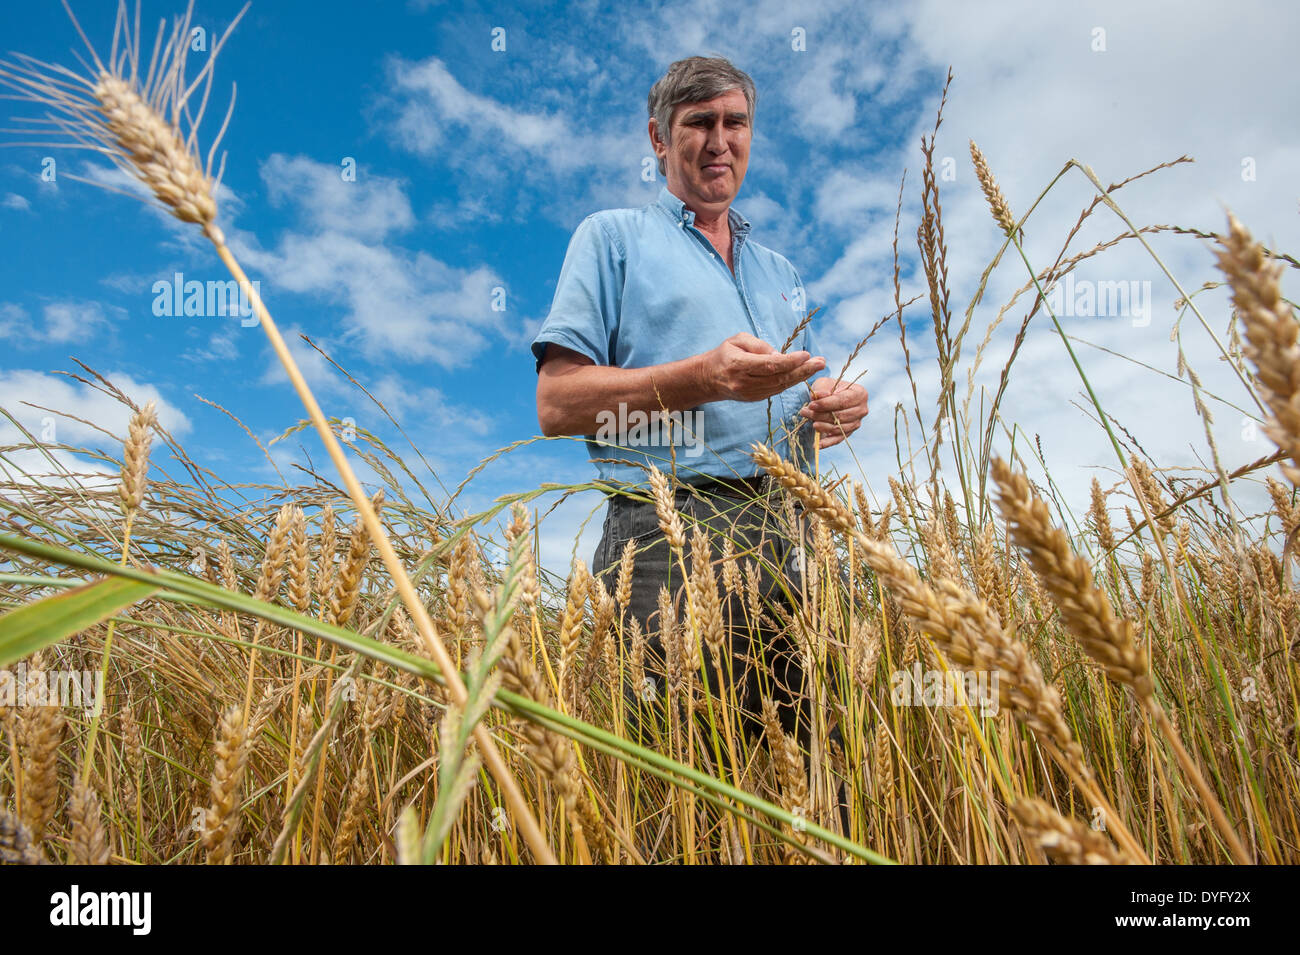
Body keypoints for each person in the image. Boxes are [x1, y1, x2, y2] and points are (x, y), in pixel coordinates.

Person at [531, 56, 869, 763]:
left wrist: (829, 410)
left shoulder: (782, 272)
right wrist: (703, 379)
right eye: (699, 123)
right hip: (664, 540)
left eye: (735, 123)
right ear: (658, 137)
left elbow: (786, 400)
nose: (721, 140)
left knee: (819, 770)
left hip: (786, 532)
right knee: (681, 782)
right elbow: (557, 403)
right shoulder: (611, 238)